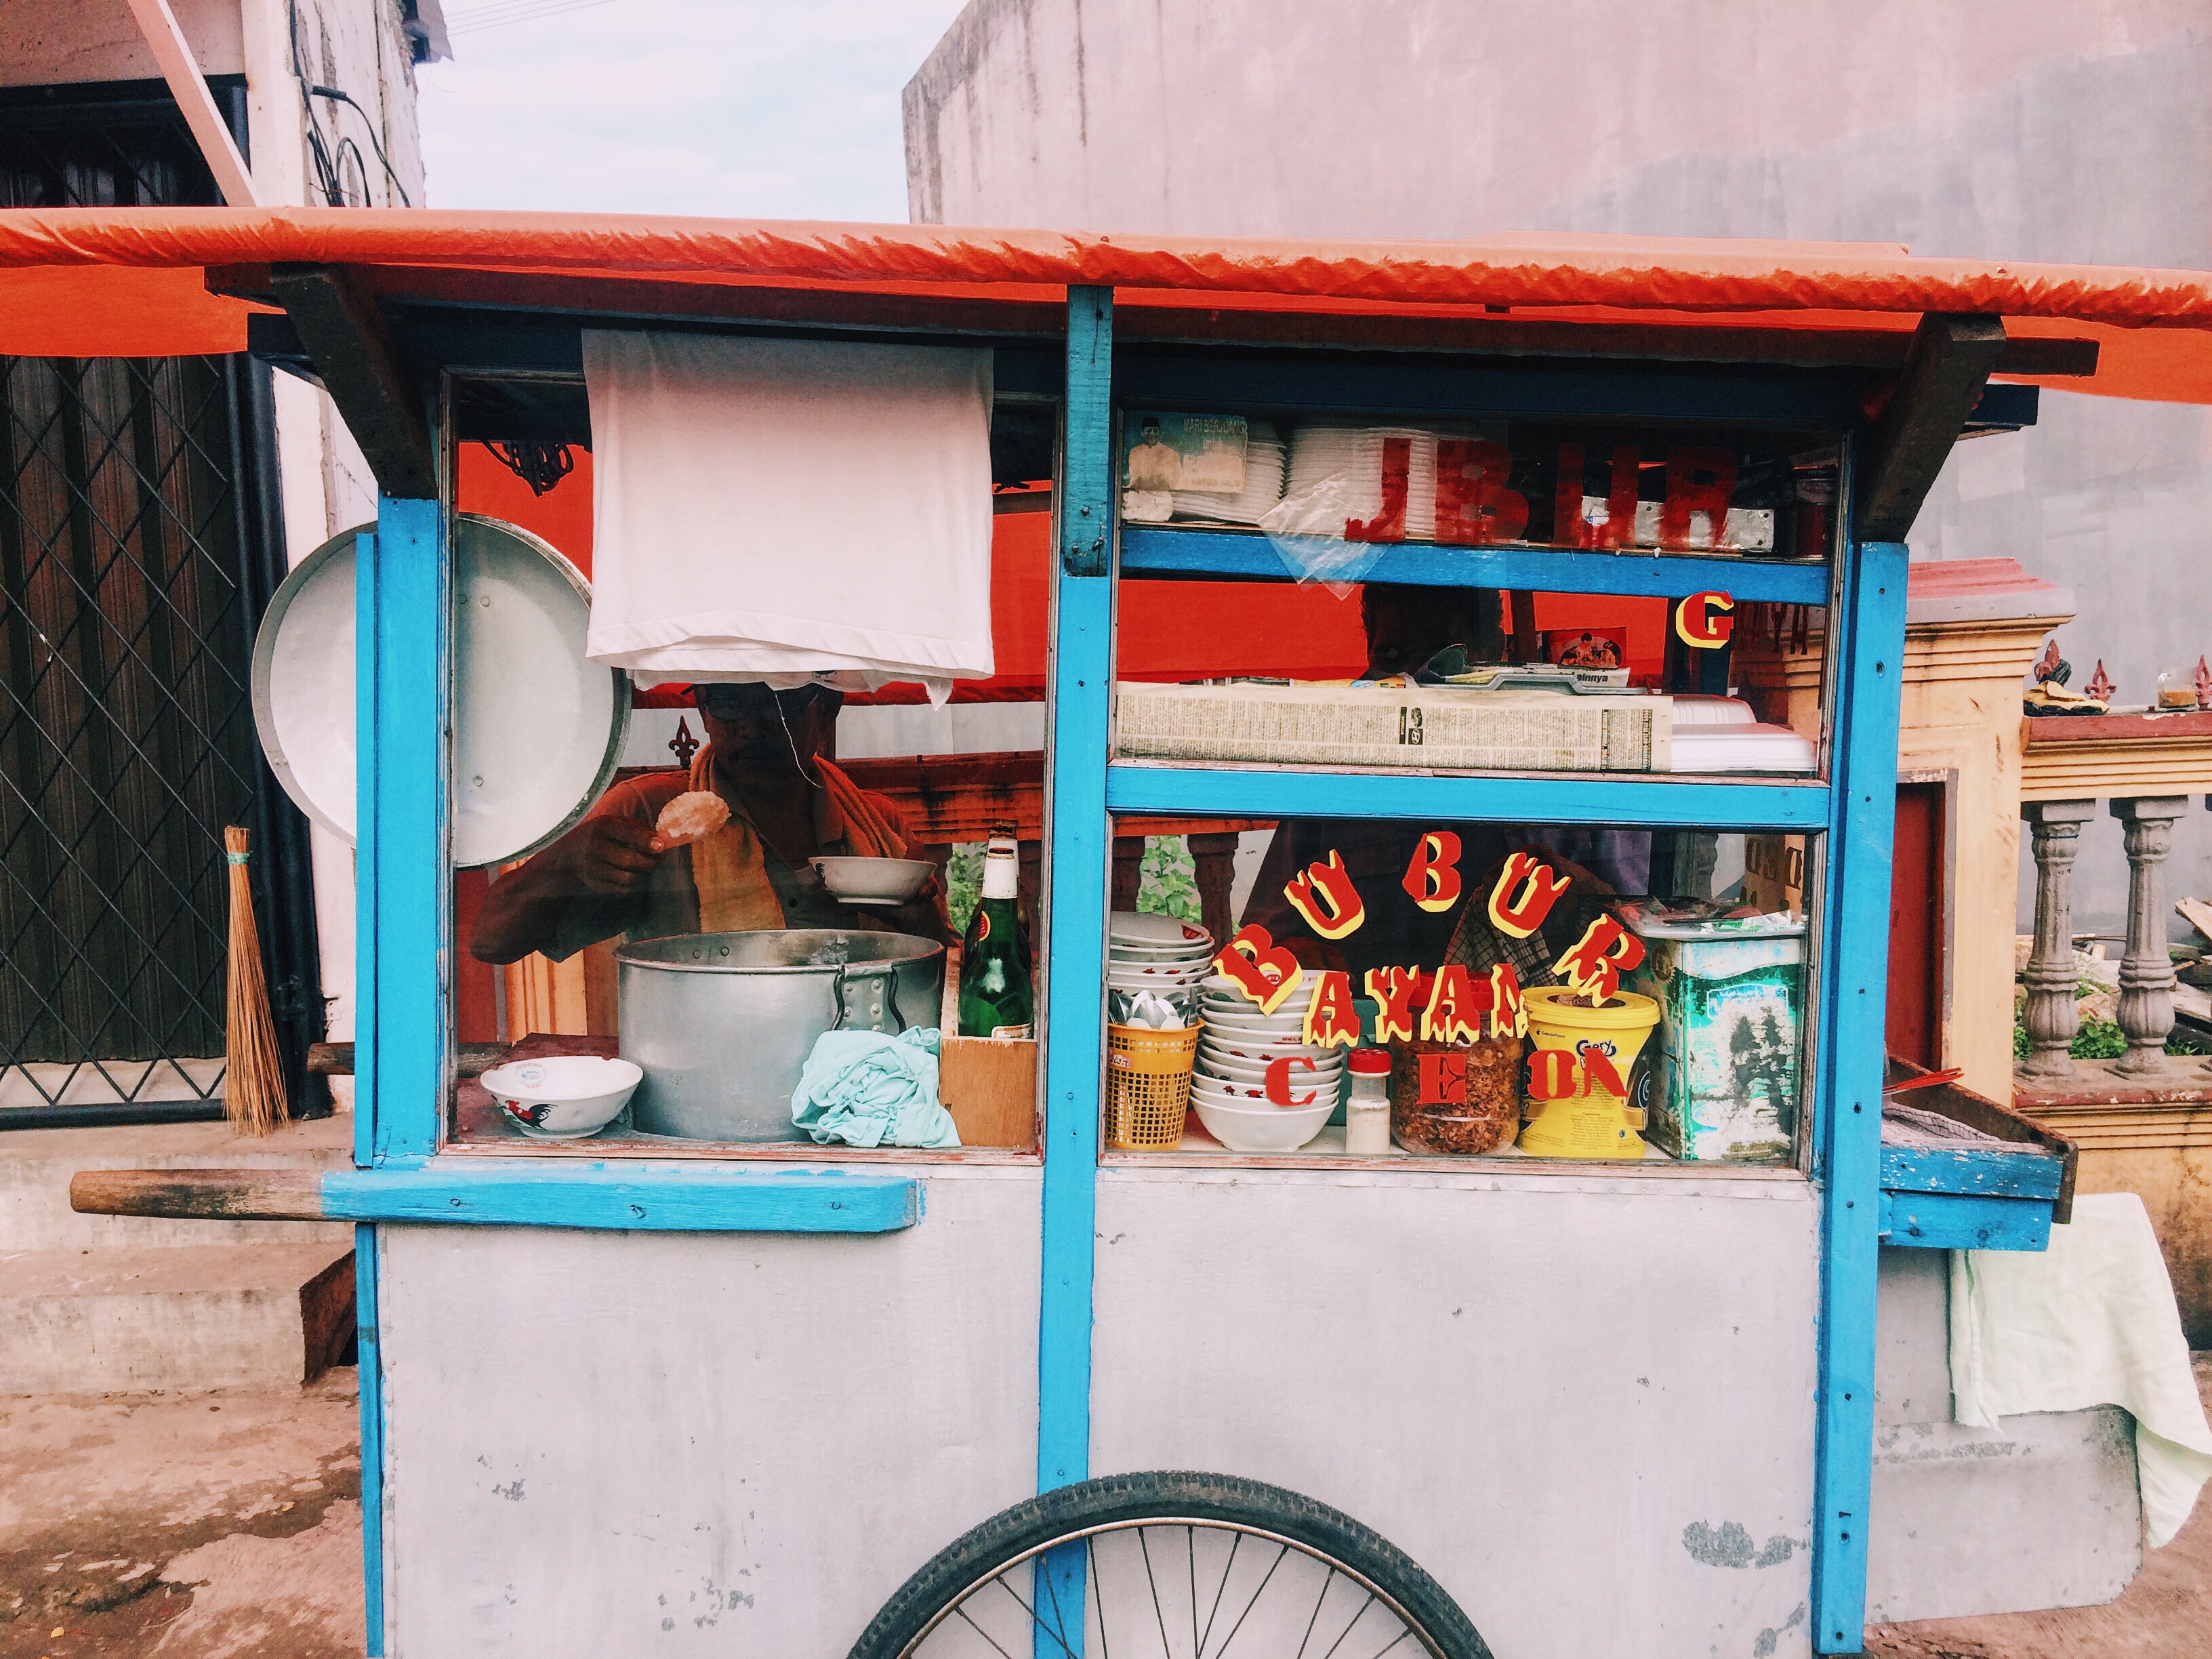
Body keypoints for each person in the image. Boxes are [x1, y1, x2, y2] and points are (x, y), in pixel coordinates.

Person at [471, 680, 947, 965]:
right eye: (729, 702)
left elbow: (941, 958)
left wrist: (917, 917)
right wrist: (564, 863)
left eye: (779, 702)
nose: (753, 727)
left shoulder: (878, 827)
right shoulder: (649, 813)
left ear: (826, 710)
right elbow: (489, 942)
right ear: (702, 710)